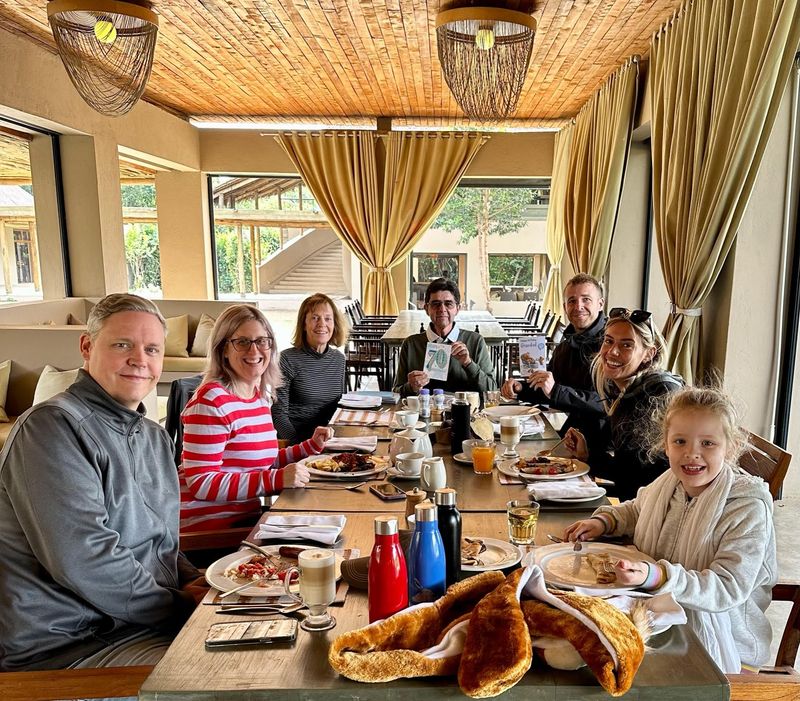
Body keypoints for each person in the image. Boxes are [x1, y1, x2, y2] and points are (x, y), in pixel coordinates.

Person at [0, 294, 205, 672]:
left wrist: (203, 583)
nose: (139, 360)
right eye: (122, 344)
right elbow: (85, 559)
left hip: (144, 621)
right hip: (74, 647)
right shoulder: (50, 428)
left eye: (152, 349)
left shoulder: (154, 437)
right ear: (86, 346)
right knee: (237, 678)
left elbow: (162, 544)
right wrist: (181, 605)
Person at [564, 386, 777, 674]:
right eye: (680, 441)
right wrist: (603, 522)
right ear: (665, 445)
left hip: (722, 646)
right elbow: (637, 509)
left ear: (731, 447)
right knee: (574, 636)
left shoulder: (746, 507)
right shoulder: (670, 482)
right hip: (657, 613)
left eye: (708, 444)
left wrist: (659, 576)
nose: (692, 454)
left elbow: (728, 587)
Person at [179, 304, 332, 532]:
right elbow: (202, 483)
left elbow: (262, 461)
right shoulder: (212, 401)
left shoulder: (259, 396)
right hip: (211, 532)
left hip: (244, 521)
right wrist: (275, 480)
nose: (254, 351)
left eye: (262, 341)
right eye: (242, 342)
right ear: (224, 350)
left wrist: (310, 447)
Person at [563, 307, 683, 500]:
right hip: (635, 505)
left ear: (648, 354)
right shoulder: (624, 390)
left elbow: (640, 479)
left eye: (627, 345)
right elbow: (628, 472)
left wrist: (590, 461)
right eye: (608, 341)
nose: (612, 351)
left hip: (652, 517)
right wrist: (586, 454)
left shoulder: (659, 395)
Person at [501, 273, 607, 436]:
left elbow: (607, 403)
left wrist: (556, 391)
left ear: (600, 304)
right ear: (565, 307)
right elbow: (547, 387)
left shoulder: (611, 345)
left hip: (604, 440)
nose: (578, 306)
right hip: (571, 432)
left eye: (586, 299)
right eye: (572, 301)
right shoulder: (565, 347)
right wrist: (521, 388)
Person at [393, 277, 497, 397]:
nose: (442, 309)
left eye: (448, 304)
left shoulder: (475, 341)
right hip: (423, 413)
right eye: (435, 304)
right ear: (426, 309)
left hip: (463, 412)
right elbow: (396, 392)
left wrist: (468, 363)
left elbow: (492, 390)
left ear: (457, 309)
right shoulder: (411, 344)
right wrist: (411, 387)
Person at [272, 293, 347, 443]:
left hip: (330, 440)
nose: (322, 324)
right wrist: (301, 447)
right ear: (304, 324)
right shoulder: (286, 359)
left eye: (327, 318)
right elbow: (278, 415)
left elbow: (338, 406)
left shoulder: (339, 359)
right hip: (296, 442)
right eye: (314, 318)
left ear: (334, 324)